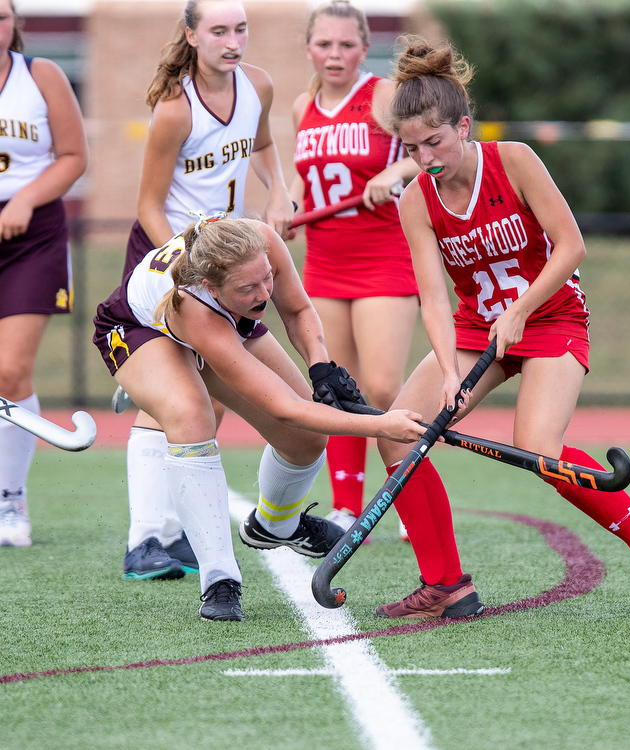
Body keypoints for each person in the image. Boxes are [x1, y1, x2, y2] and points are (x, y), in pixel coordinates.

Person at [365, 38, 630, 619]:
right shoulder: (417, 200)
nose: (424, 158)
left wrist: (520, 309)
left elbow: (572, 247)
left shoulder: (513, 160)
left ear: (463, 126)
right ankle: (445, 583)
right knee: (396, 432)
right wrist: (449, 372)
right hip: (476, 330)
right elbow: (433, 297)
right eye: (412, 148)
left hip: (551, 318)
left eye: (434, 142)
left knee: (538, 449)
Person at [93, 215, 426, 620]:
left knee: (304, 441)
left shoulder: (262, 240)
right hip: (137, 328)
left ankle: (276, 524)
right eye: (249, 287)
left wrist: (320, 365)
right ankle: (219, 580)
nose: (265, 291)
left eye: (266, 278)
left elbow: (298, 308)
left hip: (224, 315)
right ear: (213, 286)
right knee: (191, 414)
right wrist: (382, 425)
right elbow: (285, 408)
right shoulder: (197, 306)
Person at [120, 0, 297, 581]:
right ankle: (146, 539)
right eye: (218, 30)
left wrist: (276, 195)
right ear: (192, 36)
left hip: (223, 262)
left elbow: (264, 147)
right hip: (168, 258)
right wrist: (182, 266)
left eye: (240, 29)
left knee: (211, 395)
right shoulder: (175, 110)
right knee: (174, 396)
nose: (232, 40)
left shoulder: (258, 86)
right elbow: (148, 204)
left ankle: (175, 533)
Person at [289, 1, 419, 541]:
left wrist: (396, 169)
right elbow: (302, 176)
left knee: (384, 389)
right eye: (324, 44)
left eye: (346, 45)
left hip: (384, 258)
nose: (335, 54)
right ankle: (346, 507)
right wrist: (288, 209)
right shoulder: (302, 105)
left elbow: (429, 149)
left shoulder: (384, 95)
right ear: (309, 48)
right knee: (334, 391)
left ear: (364, 49)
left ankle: (412, 496)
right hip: (323, 263)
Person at [0, 0, 88, 547]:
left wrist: (25, 200)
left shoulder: (42, 75)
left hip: (31, 235)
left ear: (14, 24)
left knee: (9, 371)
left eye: (2, 15)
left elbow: (74, 156)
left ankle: (11, 503)